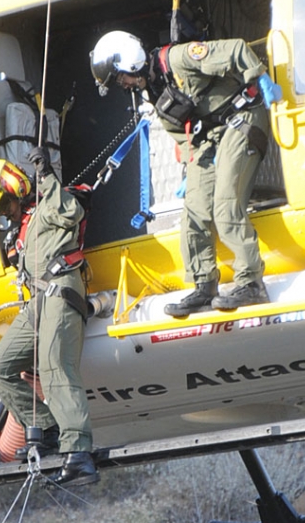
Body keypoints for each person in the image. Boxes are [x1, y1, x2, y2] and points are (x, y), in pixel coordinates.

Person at [90, 30, 280, 317]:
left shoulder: (178, 59)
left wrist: (258, 74)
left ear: (129, 63)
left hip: (242, 120)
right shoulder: (153, 90)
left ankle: (252, 283)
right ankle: (204, 286)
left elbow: (236, 48)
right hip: (209, 140)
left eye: (120, 78)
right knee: (193, 213)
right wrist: (193, 168)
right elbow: (182, 135)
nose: (124, 85)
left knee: (226, 207)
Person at [0, 151, 98, 487]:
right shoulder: (24, 227)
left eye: (3, 206)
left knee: (56, 365)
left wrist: (49, 176)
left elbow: (74, 211)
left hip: (60, 289)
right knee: (0, 369)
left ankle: (78, 452)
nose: (4, 214)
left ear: (15, 190)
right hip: (37, 301)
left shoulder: (51, 205)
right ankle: (48, 427)